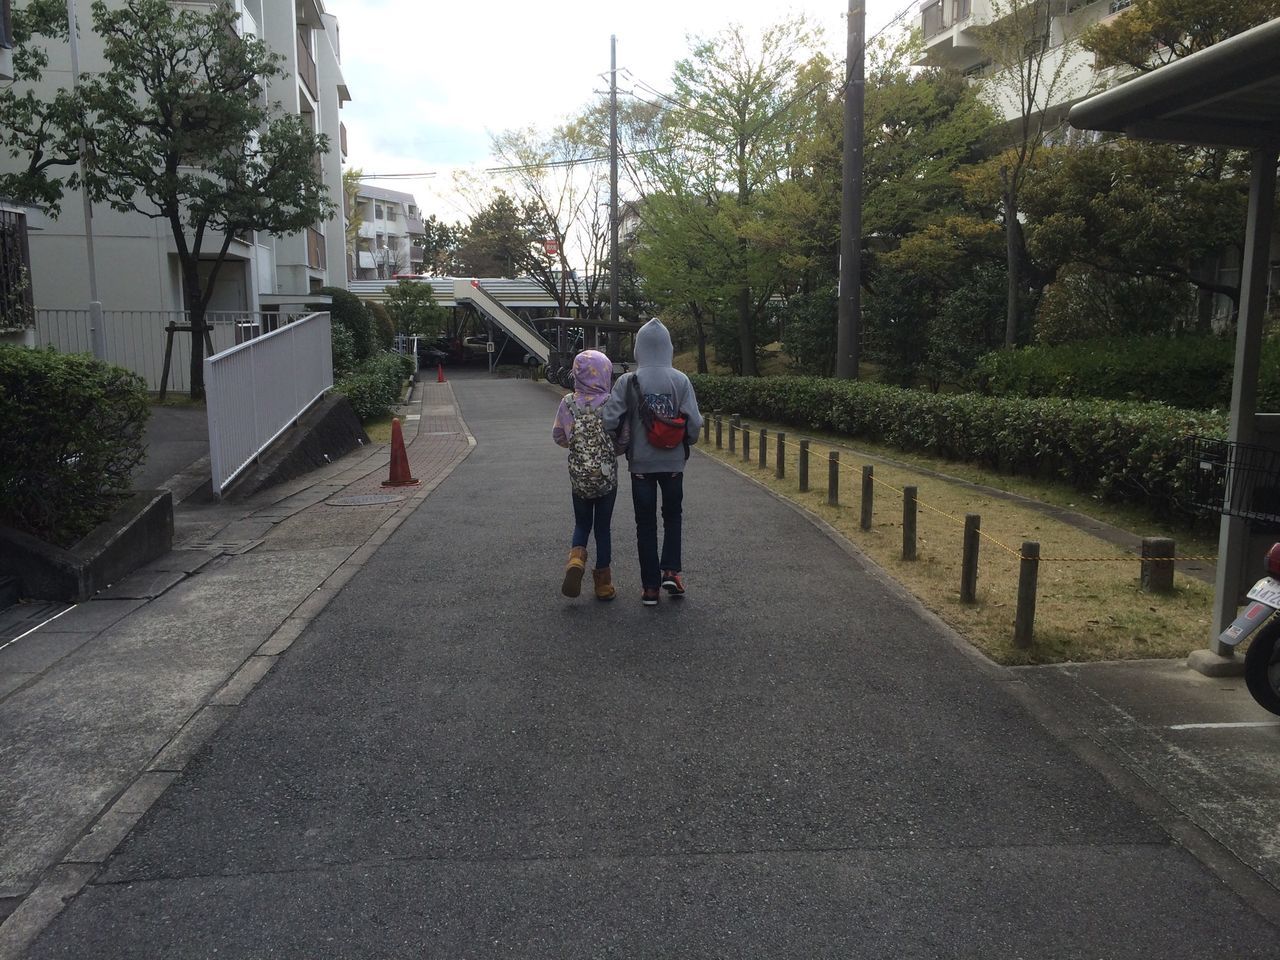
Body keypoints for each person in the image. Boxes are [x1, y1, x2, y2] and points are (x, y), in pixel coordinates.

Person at [602, 318, 703, 606]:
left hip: (641, 466)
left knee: (644, 524)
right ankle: (671, 571)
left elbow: (609, 419)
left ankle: (649, 588)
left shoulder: (628, 380)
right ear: (668, 347)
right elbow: (694, 423)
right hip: (673, 464)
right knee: (672, 517)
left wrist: (621, 436)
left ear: (639, 349)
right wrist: (688, 441)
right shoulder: (680, 380)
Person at [552, 349, 623, 601]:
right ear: (606, 372)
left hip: (579, 477)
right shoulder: (612, 401)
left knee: (582, 524)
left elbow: (558, 436)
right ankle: (603, 584)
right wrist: (612, 452)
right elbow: (622, 439)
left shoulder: (568, 402)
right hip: (605, 478)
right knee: (603, 529)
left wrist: (577, 448)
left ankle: (576, 559)